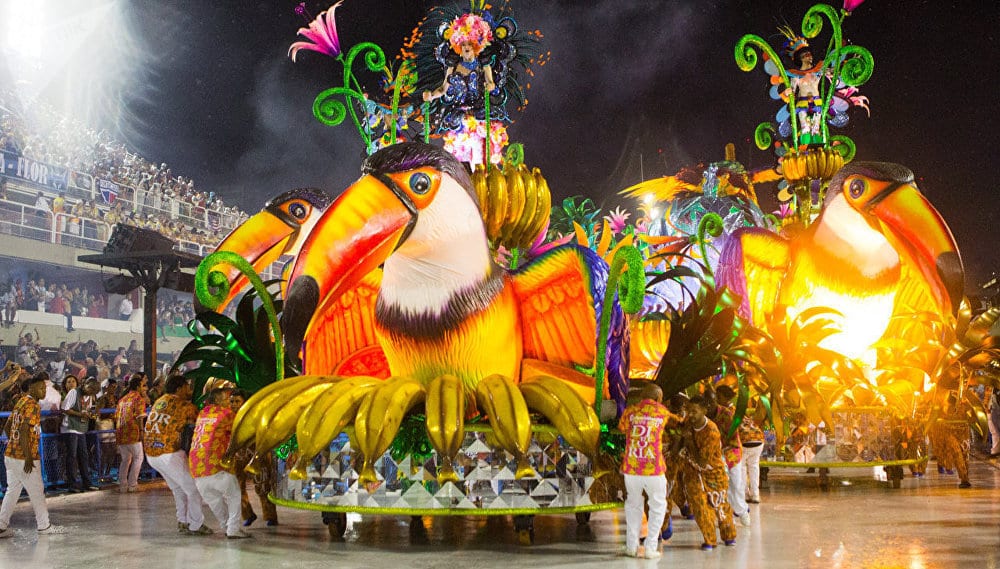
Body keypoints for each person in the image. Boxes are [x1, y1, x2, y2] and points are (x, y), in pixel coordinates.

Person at [144, 374, 211, 535]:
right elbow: (201, 420)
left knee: (178, 488)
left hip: (151, 453)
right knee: (194, 489)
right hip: (168, 452)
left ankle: (182, 520)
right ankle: (195, 525)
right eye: (187, 386)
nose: (189, 390)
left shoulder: (160, 401)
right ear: (180, 388)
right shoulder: (183, 405)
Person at [0, 373, 62, 537]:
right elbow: (23, 430)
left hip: (10, 454)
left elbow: (7, 425)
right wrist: (28, 456)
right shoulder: (33, 405)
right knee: (37, 491)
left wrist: (12, 443)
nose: (43, 391)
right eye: (41, 388)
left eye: (44, 388)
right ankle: (44, 525)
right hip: (24, 457)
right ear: (32, 388)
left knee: (12, 490)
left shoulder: (20, 401)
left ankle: (1, 525)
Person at [617, 381, 672, 559]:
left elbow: (622, 428)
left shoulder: (630, 411)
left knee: (633, 505)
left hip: (632, 468)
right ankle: (650, 548)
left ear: (642, 397)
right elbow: (673, 426)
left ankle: (631, 547)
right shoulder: (663, 412)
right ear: (658, 398)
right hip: (654, 469)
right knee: (657, 506)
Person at [189, 388, 251, 539]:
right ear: (218, 400)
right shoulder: (227, 414)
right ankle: (233, 529)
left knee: (214, 500)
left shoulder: (202, 414)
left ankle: (227, 527)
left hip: (196, 468)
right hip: (215, 466)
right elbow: (242, 430)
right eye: (227, 400)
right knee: (234, 494)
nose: (229, 403)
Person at [680, 395, 737, 550]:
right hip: (693, 473)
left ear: (705, 411)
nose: (690, 415)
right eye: (688, 411)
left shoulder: (711, 432)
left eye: (694, 411)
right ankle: (709, 540)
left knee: (720, 507)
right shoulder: (688, 423)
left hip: (714, 473)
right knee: (700, 506)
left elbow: (702, 462)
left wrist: (690, 442)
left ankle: (729, 536)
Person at [230, 389, 278, 527]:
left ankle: (270, 516)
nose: (233, 404)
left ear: (245, 402)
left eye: (237, 401)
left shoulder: (255, 415)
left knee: (263, 486)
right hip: (238, 456)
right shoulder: (228, 417)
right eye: (231, 401)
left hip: (257, 454)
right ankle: (247, 514)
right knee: (237, 486)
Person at [708, 385, 750, 527]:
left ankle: (742, 511)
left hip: (731, 451)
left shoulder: (727, 414)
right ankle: (723, 514)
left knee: (735, 483)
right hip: (715, 454)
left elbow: (732, 438)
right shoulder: (705, 416)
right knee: (718, 485)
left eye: (713, 401)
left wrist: (722, 453)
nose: (709, 406)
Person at [60, 375, 99, 492]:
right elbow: (64, 408)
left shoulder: (89, 396)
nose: (90, 393)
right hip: (70, 427)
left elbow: (87, 409)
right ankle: (72, 484)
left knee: (84, 455)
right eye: (90, 390)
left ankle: (86, 482)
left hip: (81, 428)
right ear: (85, 385)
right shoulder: (74, 392)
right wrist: (80, 414)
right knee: (72, 456)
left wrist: (90, 415)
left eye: (93, 392)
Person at [928, 390, 972, 488]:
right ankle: (963, 478)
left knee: (965, 456)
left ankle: (965, 477)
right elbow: (935, 415)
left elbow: (972, 416)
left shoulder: (965, 398)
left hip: (963, 433)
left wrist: (968, 407)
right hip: (949, 432)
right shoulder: (942, 397)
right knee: (957, 454)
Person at [115, 375, 148, 492]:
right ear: (138, 386)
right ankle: (132, 484)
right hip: (133, 433)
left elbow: (116, 417)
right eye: (143, 385)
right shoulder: (138, 399)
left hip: (121, 433)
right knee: (138, 458)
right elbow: (139, 418)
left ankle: (123, 485)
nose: (145, 388)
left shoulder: (122, 399)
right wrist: (142, 432)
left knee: (125, 460)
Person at [739, 408, 766, 504]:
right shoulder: (753, 421)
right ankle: (755, 495)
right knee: (754, 467)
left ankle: (745, 494)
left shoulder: (736, 419)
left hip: (745, 443)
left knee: (742, 468)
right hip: (759, 442)